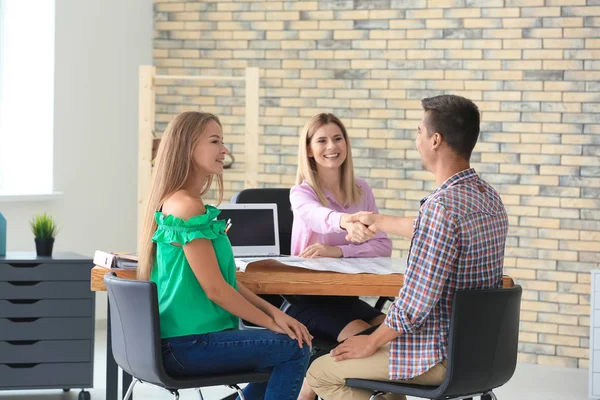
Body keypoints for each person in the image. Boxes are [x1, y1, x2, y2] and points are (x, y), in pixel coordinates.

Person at [306, 95, 510, 400]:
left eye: (419, 132)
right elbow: (428, 229)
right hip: (477, 355)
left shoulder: (441, 208)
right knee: (381, 385)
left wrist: (373, 341)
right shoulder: (488, 198)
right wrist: (378, 220)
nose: (417, 140)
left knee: (320, 373)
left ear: (435, 140)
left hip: (436, 355)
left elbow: (414, 304)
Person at [137, 111, 312, 400]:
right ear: (188, 147)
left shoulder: (185, 203)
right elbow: (216, 291)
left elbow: (227, 282)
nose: (224, 150)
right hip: (187, 344)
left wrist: (275, 314)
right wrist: (271, 324)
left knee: (289, 339)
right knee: (295, 346)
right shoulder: (185, 207)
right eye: (215, 141)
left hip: (188, 341)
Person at [288, 113, 393, 400]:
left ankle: (309, 388)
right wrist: (346, 222)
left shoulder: (362, 190)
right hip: (306, 299)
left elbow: (383, 246)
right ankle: (310, 387)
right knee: (365, 337)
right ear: (309, 149)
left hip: (346, 297)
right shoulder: (301, 193)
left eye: (337, 138)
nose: (331, 146)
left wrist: (340, 250)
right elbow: (318, 217)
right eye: (321, 140)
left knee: (393, 332)